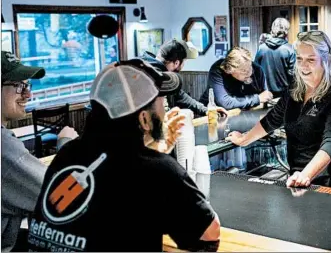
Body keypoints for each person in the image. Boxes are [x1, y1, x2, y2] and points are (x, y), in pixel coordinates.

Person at [27, 59, 221, 252]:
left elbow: (112, 181)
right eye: (161, 102)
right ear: (144, 119)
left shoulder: (67, 154)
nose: (164, 109)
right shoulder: (159, 171)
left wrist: (154, 149)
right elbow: (209, 233)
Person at [226, 31, 331, 190]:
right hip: (300, 179)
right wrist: (244, 139)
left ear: (326, 60)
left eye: (311, 60)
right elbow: (272, 120)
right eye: (299, 59)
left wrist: (306, 175)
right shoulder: (295, 87)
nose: (303, 66)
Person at [1, 51, 78, 252]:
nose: (28, 94)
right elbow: (64, 196)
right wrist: (66, 144)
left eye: (27, 86)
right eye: (19, 86)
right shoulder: (4, 148)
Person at [141, 39, 227, 118]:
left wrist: (207, 110)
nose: (183, 66)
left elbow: (182, 97)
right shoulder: (153, 75)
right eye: (184, 62)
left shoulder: (158, 73)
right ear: (177, 63)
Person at [199, 47, 273, 110]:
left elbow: (265, 95)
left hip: (244, 114)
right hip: (212, 113)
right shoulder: (218, 70)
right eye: (243, 70)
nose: (249, 73)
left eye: (250, 67)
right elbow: (225, 102)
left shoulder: (257, 69)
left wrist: (265, 97)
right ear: (230, 70)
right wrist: (257, 99)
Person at [255, 18, 296, 98]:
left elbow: (255, 70)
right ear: (286, 31)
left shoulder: (262, 48)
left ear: (272, 29)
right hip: (284, 95)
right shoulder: (290, 49)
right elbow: (293, 75)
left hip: (265, 94)